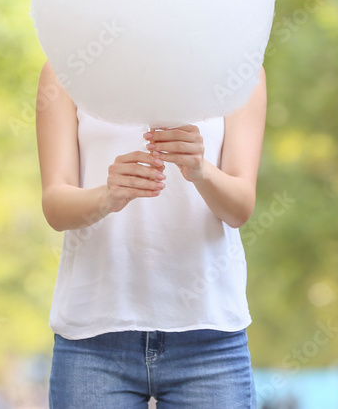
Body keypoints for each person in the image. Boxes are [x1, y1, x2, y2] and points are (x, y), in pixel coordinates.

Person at [36, 59, 267, 408]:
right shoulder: (68, 66)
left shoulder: (237, 66)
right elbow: (55, 204)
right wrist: (108, 196)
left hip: (209, 337)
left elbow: (239, 208)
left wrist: (201, 170)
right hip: (93, 337)